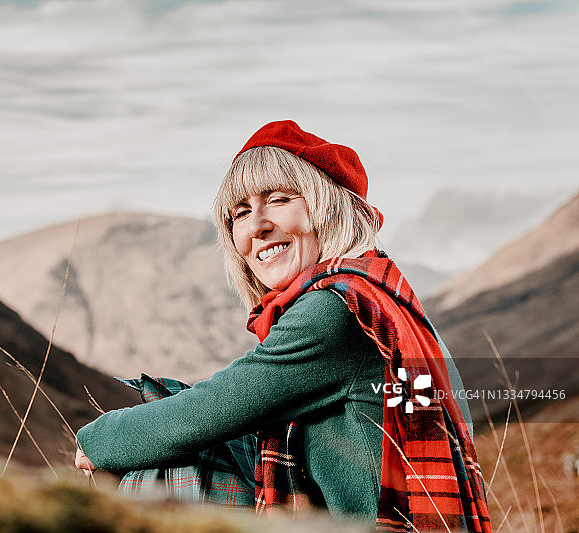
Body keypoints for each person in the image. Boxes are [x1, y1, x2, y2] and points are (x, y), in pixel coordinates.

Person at [75, 120, 492, 532]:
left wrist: (96, 440)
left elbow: (206, 413)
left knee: (166, 450)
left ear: (328, 207)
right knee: (165, 411)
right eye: (240, 214)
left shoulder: (337, 310)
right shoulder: (369, 293)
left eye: (277, 199)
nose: (256, 226)